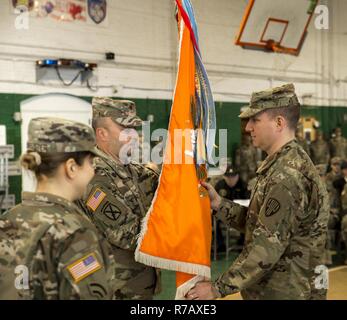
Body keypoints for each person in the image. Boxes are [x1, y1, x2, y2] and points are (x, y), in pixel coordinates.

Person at [187, 83, 329, 300]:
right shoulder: (281, 165)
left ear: (279, 123)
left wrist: (217, 287)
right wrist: (219, 205)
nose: (247, 128)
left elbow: (266, 246)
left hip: (288, 292)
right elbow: (262, 224)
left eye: (255, 120)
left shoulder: (287, 175)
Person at [0, 117, 115, 300]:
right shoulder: (75, 232)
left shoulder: (7, 219)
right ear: (71, 168)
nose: (94, 172)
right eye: (91, 163)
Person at [77, 97, 160, 300]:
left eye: (135, 130)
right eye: (126, 131)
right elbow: (129, 234)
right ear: (102, 134)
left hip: (136, 285)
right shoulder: (95, 177)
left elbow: (152, 181)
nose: (134, 136)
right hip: (114, 289)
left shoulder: (128, 168)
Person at [214, 165, 250, 252]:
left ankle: (242, 243)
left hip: (238, 214)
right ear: (224, 177)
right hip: (222, 213)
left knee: (247, 218)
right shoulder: (219, 186)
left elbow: (248, 202)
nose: (231, 179)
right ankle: (220, 244)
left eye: (233, 177)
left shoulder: (244, 185)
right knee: (213, 219)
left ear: (237, 176)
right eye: (228, 177)